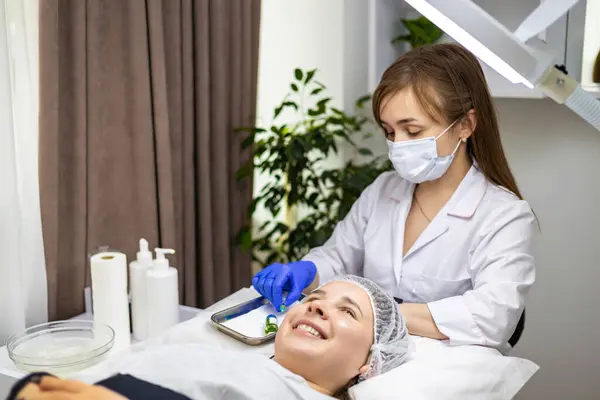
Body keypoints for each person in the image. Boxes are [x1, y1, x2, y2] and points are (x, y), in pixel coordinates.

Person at [252, 43, 537, 354]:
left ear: (465, 125)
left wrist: (379, 313)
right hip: (364, 359)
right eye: (389, 132)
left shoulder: (504, 215)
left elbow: (492, 318)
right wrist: (306, 272)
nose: (398, 145)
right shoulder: (384, 190)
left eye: (412, 131)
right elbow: (338, 258)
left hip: (446, 373)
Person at [9, 276, 410, 400]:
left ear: (367, 363)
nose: (317, 307)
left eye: (348, 312)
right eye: (314, 299)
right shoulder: (215, 354)